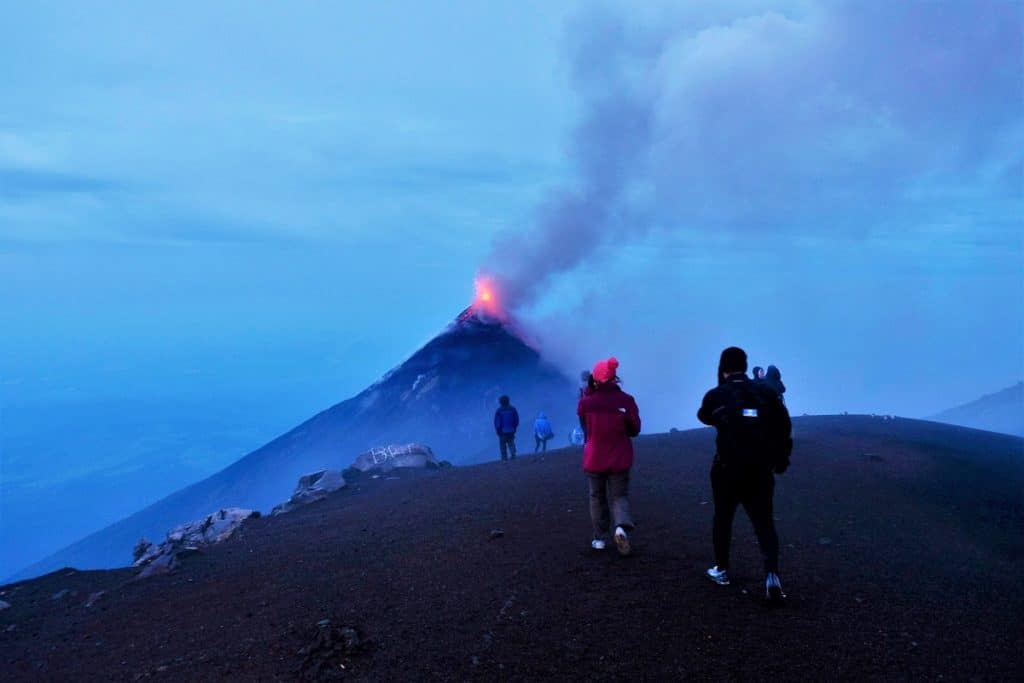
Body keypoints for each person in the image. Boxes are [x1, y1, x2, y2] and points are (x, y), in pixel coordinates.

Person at [698, 346, 792, 604]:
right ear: (745, 365)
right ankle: (771, 574)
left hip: (727, 468)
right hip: (760, 470)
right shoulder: (765, 392)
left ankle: (722, 569)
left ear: (724, 368)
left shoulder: (717, 394)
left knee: (723, 518)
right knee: (764, 523)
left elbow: (704, 415)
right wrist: (781, 458)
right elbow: (784, 425)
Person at [577, 356, 641, 556]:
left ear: (595, 379)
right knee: (619, 495)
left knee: (597, 496)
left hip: (594, 457)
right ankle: (620, 528)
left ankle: (599, 539)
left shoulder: (586, 403)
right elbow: (635, 429)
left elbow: (584, 427)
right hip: (619, 456)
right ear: (614, 377)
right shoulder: (626, 401)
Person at [494, 395, 519, 462]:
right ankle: (513, 454)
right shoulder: (513, 409)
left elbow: (497, 422)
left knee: (502, 445)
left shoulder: (499, 410)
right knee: (511, 442)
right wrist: (515, 427)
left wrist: (497, 430)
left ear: (501, 402)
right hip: (511, 429)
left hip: (502, 431)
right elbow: (516, 420)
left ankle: (504, 459)